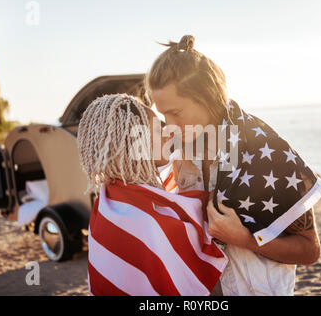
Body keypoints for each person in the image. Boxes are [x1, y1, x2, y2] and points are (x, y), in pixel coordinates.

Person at [145, 35, 321, 295]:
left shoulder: (268, 152)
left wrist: (246, 239)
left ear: (207, 96)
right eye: (164, 115)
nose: (170, 126)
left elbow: (310, 251)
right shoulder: (183, 152)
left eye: (176, 113)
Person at [76, 93, 228, 295]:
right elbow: (202, 240)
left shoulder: (109, 201)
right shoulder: (142, 220)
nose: (168, 132)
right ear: (133, 142)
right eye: (158, 129)